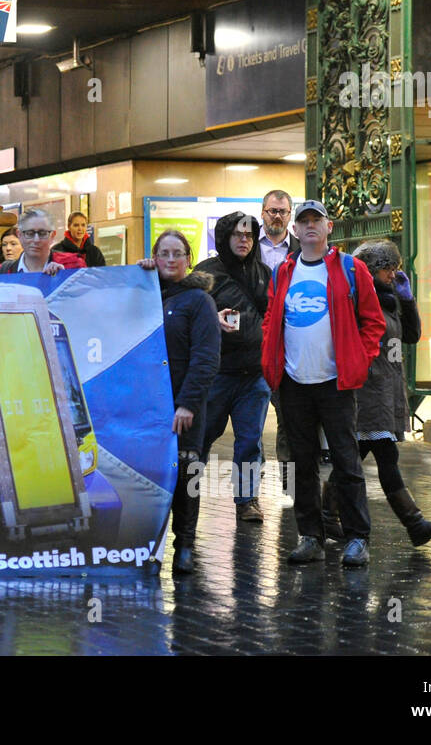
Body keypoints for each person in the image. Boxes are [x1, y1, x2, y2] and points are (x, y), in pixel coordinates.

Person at [261, 200, 386, 567]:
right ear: (295, 231)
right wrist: (273, 364)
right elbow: (272, 319)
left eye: (317, 220)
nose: (310, 226)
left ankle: (357, 537)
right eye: (304, 221)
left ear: (328, 227)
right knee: (302, 464)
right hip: (294, 382)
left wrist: (359, 360)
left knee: (347, 461)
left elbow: (373, 321)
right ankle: (311, 536)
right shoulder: (284, 272)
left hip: (335, 383)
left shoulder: (350, 268)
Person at [351, 239, 431, 546]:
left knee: (353, 458)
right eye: (388, 269)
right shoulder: (358, 298)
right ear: (372, 270)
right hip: (368, 388)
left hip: (388, 386)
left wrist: (407, 301)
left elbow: (411, 335)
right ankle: (414, 524)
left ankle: (328, 514)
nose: (394, 275)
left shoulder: (390, 296)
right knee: (384, 455)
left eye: (396, 268)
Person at [137, 230, 221, 575]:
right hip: (147, 406)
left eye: (178, 254)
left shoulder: (199, 301)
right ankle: (147, 545)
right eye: (163, 254)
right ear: (154, 257)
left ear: (188, 259)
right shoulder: (142, 294)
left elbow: (206, 358)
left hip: (183, 407)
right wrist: (135, 274)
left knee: (187, 475)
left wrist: (187, 403)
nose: (171, 260)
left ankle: (184, 545)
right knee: (148, 476)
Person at [193, 211, 272, 523]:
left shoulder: (263, 273)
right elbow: (187, 314)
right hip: (216, 374)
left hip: (254, 375)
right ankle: (187, 495)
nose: (244, 240)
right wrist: (212, 319)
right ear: (225, 237)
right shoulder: (204, 274)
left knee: (250, 440)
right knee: (200, 438)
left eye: (250, 235)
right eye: (238, 234)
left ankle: (247, 499)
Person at [258, 189, 301, 488]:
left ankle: (292, 484)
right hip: (254, 343)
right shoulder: (246, 245)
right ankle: (249, 490)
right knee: (251, 421)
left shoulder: (302, 249)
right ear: (262, 212)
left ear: (290, 215)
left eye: (282, 211)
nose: (277, 216)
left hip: (290, 343)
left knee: (290, 417)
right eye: (272, 210)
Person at [0, 209, 84, 275]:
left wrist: (64, 276)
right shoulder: (2, 272)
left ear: (52, 236)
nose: (36, 240)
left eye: (42, 233)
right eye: (29, 233)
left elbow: (88, 298)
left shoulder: (73, 265)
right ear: (19, 235)